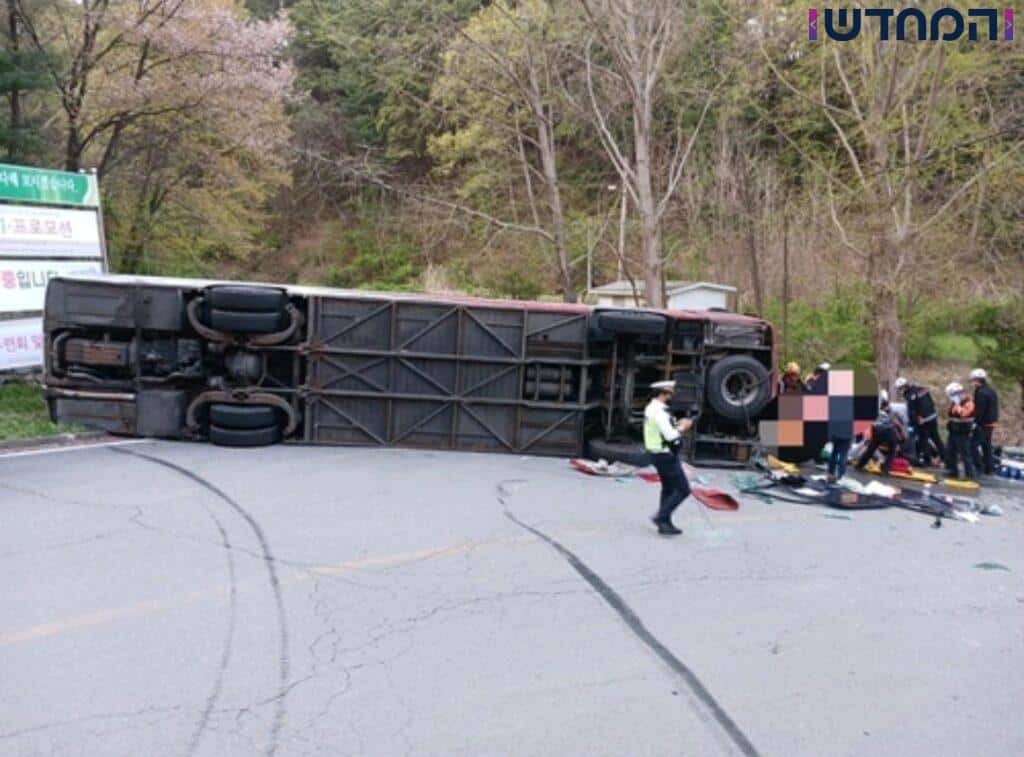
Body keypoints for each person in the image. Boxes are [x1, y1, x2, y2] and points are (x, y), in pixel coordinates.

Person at [644, 381, 694, 536]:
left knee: (668, 488)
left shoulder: (652, 408)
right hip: (664, 454)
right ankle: (661, 517)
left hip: (656, 453)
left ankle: (665, 524)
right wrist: (683, 426)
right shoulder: (659, 412)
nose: (672, 396)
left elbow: (661, 429)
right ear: (662, 394)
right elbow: (671, 435)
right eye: (669, 393)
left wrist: (675, 424)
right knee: (683, 489)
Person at [897, 377, 945, 467]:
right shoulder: (922, 389)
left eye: (900, 389)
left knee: (923, 440)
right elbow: (930, 402)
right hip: (932, 417)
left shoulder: (910, 395)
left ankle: (927, 461)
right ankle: (944, 457)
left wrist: (916, 420)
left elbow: (914, 410)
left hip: (923, 421)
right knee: (936, 438)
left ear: (902, 387)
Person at [854, 393, 905, 475]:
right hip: (888, 431)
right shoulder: (889, 409)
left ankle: (859, 465)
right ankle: (885, 469)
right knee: (892, 450)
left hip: (877, 431)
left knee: (871, 449)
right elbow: (896, 422)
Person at [969, 368, 999, 476]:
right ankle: (989, 468)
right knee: (986, 446)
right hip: (991, 423)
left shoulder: (980, 392)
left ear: (978, 380)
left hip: (983, 423)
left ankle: (979, 467)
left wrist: (975, 423)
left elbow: (980, 410)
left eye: (973, 380)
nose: (972, 382)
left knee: (972, 445)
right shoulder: (991, 390)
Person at [944, 381, 976, 480]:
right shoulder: (954, 402)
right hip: (953, 430)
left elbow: (964, 414)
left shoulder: (969, 402)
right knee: (950, 451)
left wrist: (958, 406)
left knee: (965, 453)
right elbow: (950, 414)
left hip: (963, 432)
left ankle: (969, 474)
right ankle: (953, 471)